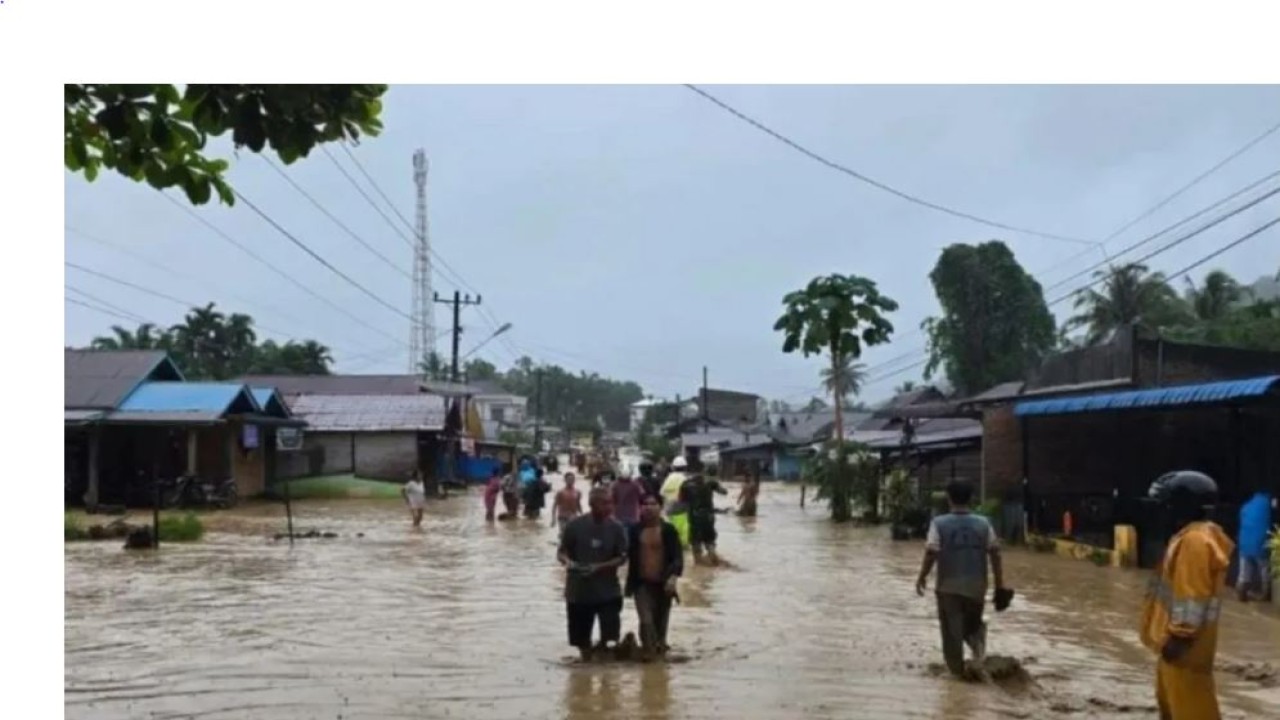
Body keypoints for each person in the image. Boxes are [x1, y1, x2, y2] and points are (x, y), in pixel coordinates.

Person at [1141, 471, 1234, 720]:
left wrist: (1180, 637)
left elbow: (1192, 599)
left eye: (1164, 505)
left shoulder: (1194, 542)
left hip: (1183, 651)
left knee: (1192, 712)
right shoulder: (1191, 537)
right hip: (1174, 648)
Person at [915, 480, 1006, 678]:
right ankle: (977, 642)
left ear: (949, 498)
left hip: (948, 586)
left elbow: (931, 552)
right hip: (977, 586)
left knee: (951, 633)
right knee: (969, 624)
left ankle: (956, 677)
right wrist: (1000, 586)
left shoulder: (938, 523)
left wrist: (922, 576)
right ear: (971, 499)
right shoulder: (984, 523)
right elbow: (995, 553)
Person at [557, 487, 629, 661]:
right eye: (604, 503)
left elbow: (622, 557)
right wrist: (569, 563)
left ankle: (607, 676)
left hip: (608, 591)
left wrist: (599, 567)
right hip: (579, 590)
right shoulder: (574, 526)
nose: (609, 507)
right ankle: (585, 666)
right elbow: (561, 552)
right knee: (581, 639)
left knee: (611, 636)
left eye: (610, 503)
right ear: (592, 504)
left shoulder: (617, 528)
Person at [626, 493, 683, 659]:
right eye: (645, 504)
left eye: (653, 504)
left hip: (664, 584)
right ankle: (648, 654)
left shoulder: (668, 530)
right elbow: (624, 553)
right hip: (641, 584)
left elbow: (677, 557)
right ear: (640, 508)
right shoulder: (635, 530)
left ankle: (659, 657)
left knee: (661, 624)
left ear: (660, 507)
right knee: (646, 620)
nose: (649, 507)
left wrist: (673, 578)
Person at [681, 472, 728, 565]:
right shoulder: (710, 483)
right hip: (708, 518)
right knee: (710, 542)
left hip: (694, 519)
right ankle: (714, 562)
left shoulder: (686, 485)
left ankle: (698, 566)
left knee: (696, 544)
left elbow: (681, 500)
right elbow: (724, 492)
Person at [1236, 487, 1273, 602]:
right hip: (1260, 543)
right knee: (1264, 568)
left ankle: (1242, 593)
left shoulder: (1246, 506)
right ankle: (1265, 594)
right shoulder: (1268, 505)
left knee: (1244, 571)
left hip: (1244, 542)